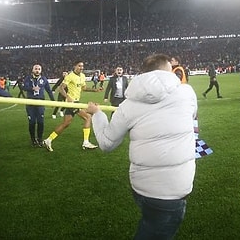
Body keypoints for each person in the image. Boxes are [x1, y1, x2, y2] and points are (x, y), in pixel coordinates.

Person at [86, 54, 197, 239]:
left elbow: (106, 143)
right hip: (173, 190)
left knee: (151, 224)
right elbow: (190, 115)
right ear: (169, 69)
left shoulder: (127, 105)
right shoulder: (187, 93)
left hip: (141, 187)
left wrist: (97, 113)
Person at [43, 60, 98, 151]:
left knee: (66, 123)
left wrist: (94, 90)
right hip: (72, 103)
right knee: (88, 117)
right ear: (75, 66)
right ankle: (86, 142)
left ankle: (48, 140)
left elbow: (84, 88)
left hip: (75, 102)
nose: (81, 68)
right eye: (79, 66)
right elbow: (61, 88)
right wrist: (67, 97)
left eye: (82, 66)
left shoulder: (83, 76)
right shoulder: (70, 76)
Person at [22, 64, 55, 147]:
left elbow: (49, 90)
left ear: (41, 70)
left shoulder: (43, 79)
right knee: (32, 122)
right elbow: (23, 87)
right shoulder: (28, 78)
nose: (37, 70)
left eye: (39, 69)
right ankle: (33, 140)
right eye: (36, 69)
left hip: (40, 103)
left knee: (40, 122)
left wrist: (53, 101)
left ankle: (40, 139)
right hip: (30, 103)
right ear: (32, 70)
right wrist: (31, 88)